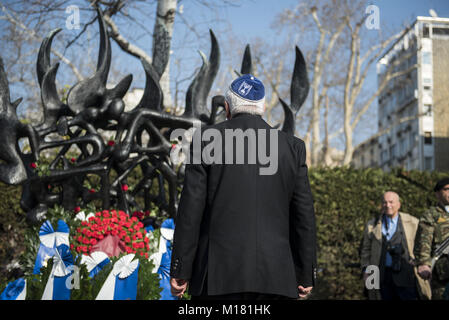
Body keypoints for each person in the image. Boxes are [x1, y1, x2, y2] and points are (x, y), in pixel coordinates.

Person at [169, 74, 317, 300]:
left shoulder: (205, 140)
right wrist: (305, 272)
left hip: (218, 277)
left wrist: (181, 270)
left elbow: (191, 211)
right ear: (263, 107)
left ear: (227, 107)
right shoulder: (292, 147)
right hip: (276, 278)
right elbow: (303, 215)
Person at [360, 191, 431, 300]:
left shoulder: (413, 222)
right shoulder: (372, 225)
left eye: (391, 202)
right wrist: (366, 270)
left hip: (407, 276)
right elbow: (365, 250)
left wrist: (423, 264)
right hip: (381, 276)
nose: (388, 205)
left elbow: (424, 246)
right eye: (384, 202)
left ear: (399, 204)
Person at [415, 177, 449, 300]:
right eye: (447, 189)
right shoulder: (431, 215)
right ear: (438, 194)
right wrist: (424, 263)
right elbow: (424, 240)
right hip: (443, 272)